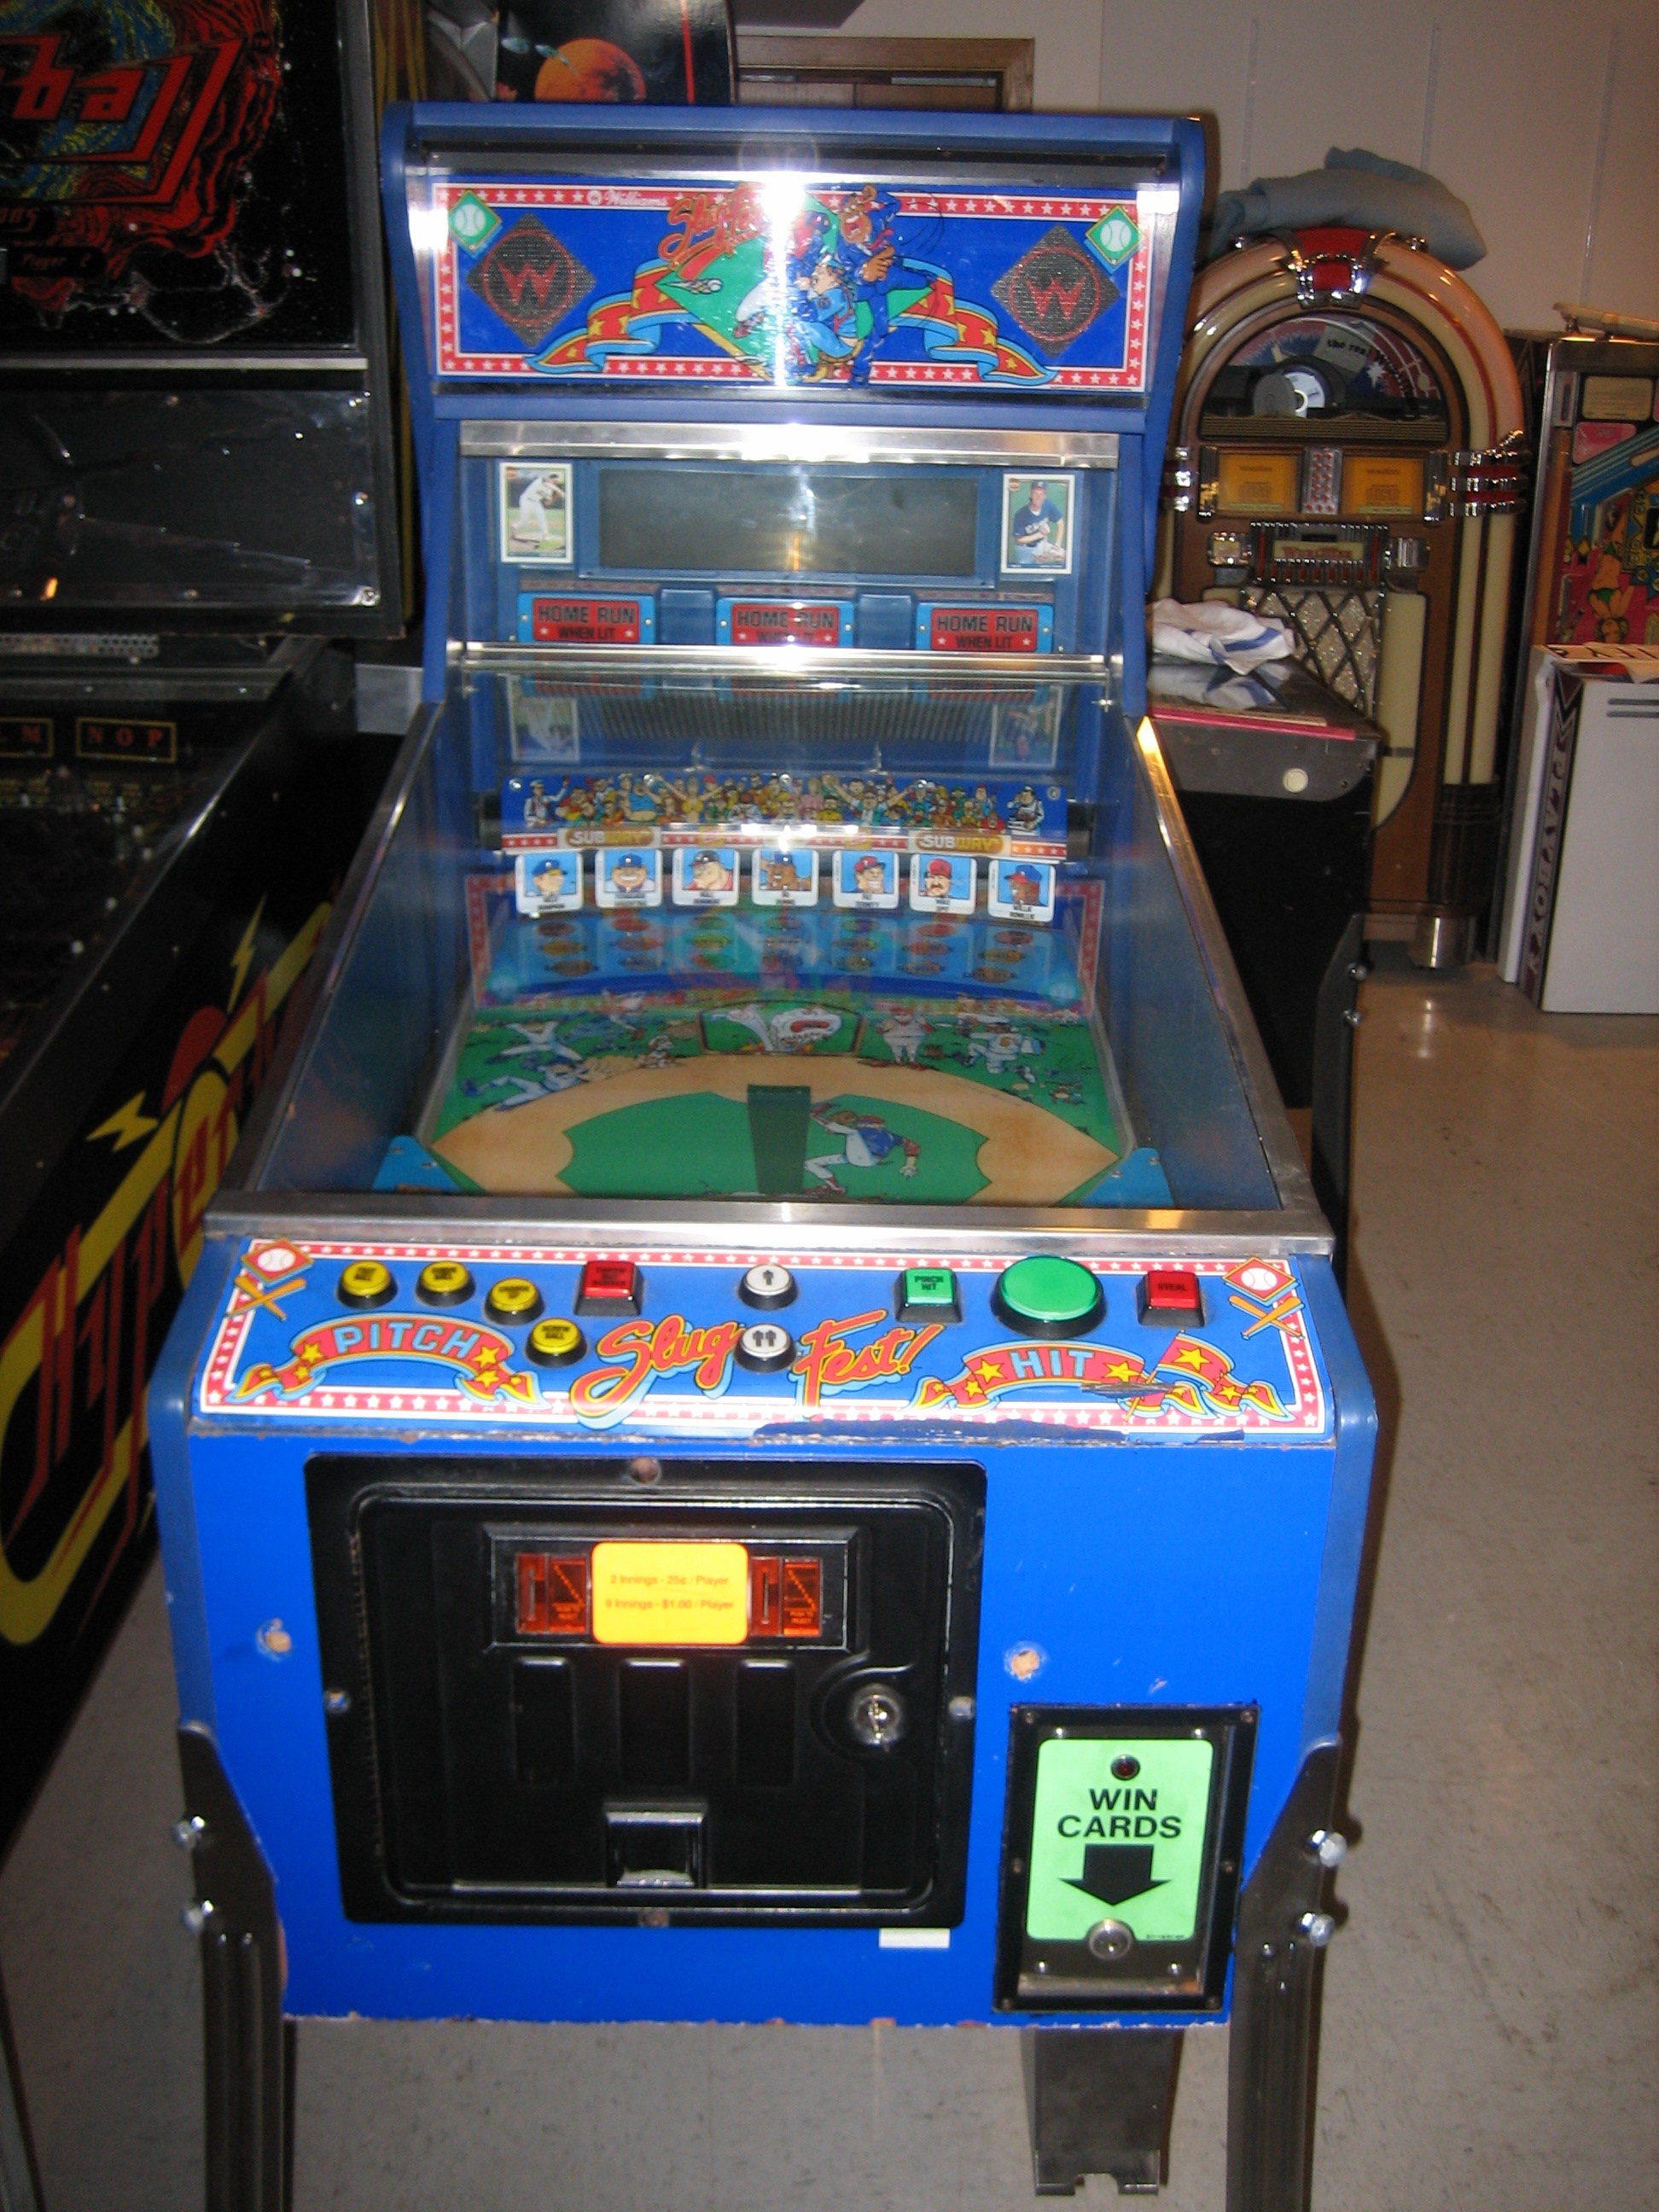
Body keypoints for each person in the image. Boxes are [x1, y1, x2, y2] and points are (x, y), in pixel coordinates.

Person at [1011, 479, 1066, 568]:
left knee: (1064, 556)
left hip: (1041, 545)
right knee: (1025, 572)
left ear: (1045, 495)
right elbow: (1019, 540)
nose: (1039, 497)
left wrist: (1058, 543)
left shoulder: (1048, 505)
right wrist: (1040, 534)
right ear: (1031, 494)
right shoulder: (1021, 514)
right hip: (1025, 549)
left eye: (1041, 494)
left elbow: (1060, 523)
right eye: (1036, 493)